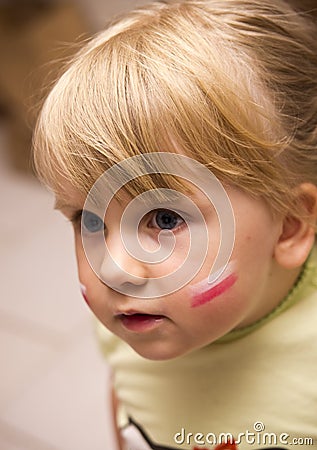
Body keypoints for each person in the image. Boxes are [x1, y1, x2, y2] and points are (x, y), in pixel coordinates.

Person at [32, 0, 317, 449]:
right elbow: (130, 399)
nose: (113, 268)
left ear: (289, 225)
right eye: (88, 219)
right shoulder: (138, 319)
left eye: (163, 218)